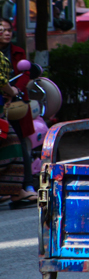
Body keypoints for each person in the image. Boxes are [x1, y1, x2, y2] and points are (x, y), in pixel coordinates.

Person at [0, 19, 34, 201]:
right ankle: (16, 191)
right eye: (2, 30)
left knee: (16, 145)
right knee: (12, 147)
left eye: (8, 30)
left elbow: (24, 75)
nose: (6, 33)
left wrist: (14, 93)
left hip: (13, 106)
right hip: (3, 106)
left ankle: (22, 187)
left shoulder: (17, 52)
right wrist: (8, 90)